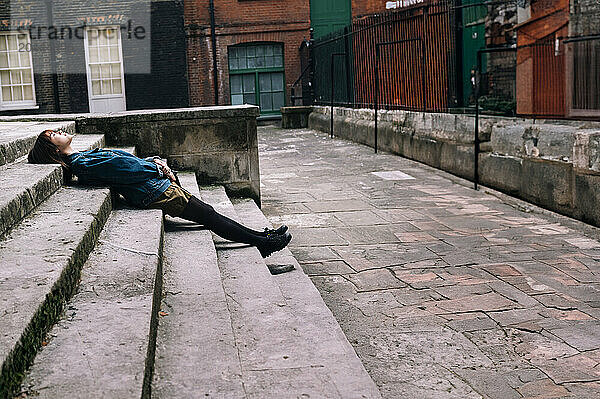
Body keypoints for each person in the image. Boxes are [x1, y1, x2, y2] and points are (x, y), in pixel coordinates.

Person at [28, 129, 291, 258]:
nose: (60, 132)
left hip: (155, 186)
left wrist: (155, 162)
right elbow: (127, 168)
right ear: (54, 150)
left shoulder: (83, 156)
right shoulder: (83, 164)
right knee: (209, 216)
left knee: (210, 214)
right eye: (54, 135)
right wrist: (155, 166)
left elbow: (125, 161)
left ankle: (261, 236)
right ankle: (263, 243)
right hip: (156, 191)